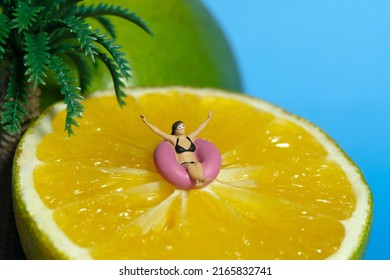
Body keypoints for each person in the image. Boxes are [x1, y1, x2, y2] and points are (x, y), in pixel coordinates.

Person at [140, 112, 213, 187]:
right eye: (179, 127)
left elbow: (199, 128)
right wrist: (146, 122)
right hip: (184, 164)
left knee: (198, 164)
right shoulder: (174, 139)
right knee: (190, 166)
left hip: (193, 161)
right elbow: (158, 131)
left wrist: (208, 119)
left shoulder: (189, 138)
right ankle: (200, 180)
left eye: (183, 126)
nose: (182, 128)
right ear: (175, 130)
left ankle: (199, 180)